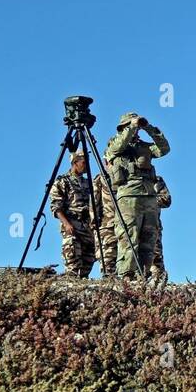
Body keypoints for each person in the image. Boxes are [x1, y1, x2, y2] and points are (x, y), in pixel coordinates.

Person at [103, 111, 169, 280]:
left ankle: (143, 275)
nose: (136, 129)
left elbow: (164, 149)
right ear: (123, 127)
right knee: (128, 236)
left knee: (149, 237)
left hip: (149, 195)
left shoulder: (144, 147)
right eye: (131, 125)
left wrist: (149, 128)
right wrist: (132, 127)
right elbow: (117, 147)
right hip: (128, 196)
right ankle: (127, 275)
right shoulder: (115, 143)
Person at [49, 149, 98, 277]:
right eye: (84, 162)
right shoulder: (63, 181)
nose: (86, 166)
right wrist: (66, 224)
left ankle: (82, 282)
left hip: (87, 227)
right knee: (73, 262)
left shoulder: (88, 183)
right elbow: (56, 206)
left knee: (88, 261)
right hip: (72, 225)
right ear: (75, 162)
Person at [149, 175, 172, 284]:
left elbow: (166, 200)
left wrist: (146, 200)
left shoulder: (155, 179)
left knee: (155, 259)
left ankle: (158, 285)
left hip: (152, 226)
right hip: (129, 226)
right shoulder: (122, 179)